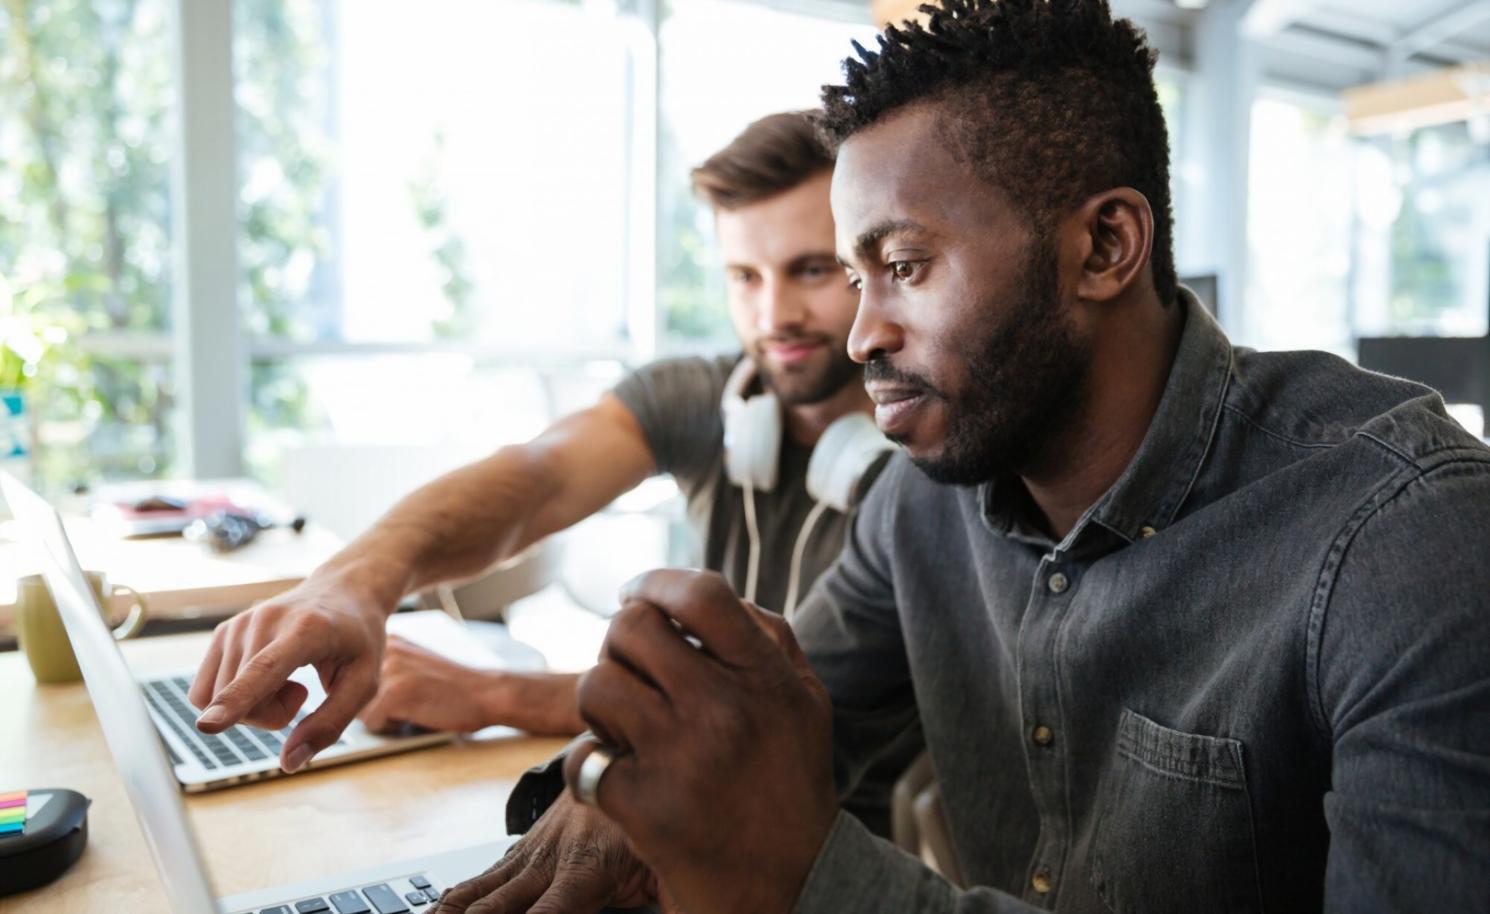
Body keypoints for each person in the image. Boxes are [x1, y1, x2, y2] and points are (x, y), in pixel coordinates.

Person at [432, 2, 1490, 912]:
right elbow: (761, 732)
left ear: (1103, 246)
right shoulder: (921, 505)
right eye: (857, 276)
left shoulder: (1409, 542)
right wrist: (616, 789)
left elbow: (783, 845)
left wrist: (802, 873)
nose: (859, 337)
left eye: (902, 265)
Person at [188, 110, 914, 835]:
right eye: (743, 277)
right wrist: (354, 584)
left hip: (830, 840)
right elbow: (536, 477)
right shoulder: (712, 397)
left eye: (812, 270)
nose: (772, 314)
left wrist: (495, 694)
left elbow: (766, 710)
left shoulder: (934, 454)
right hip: (679, 807)